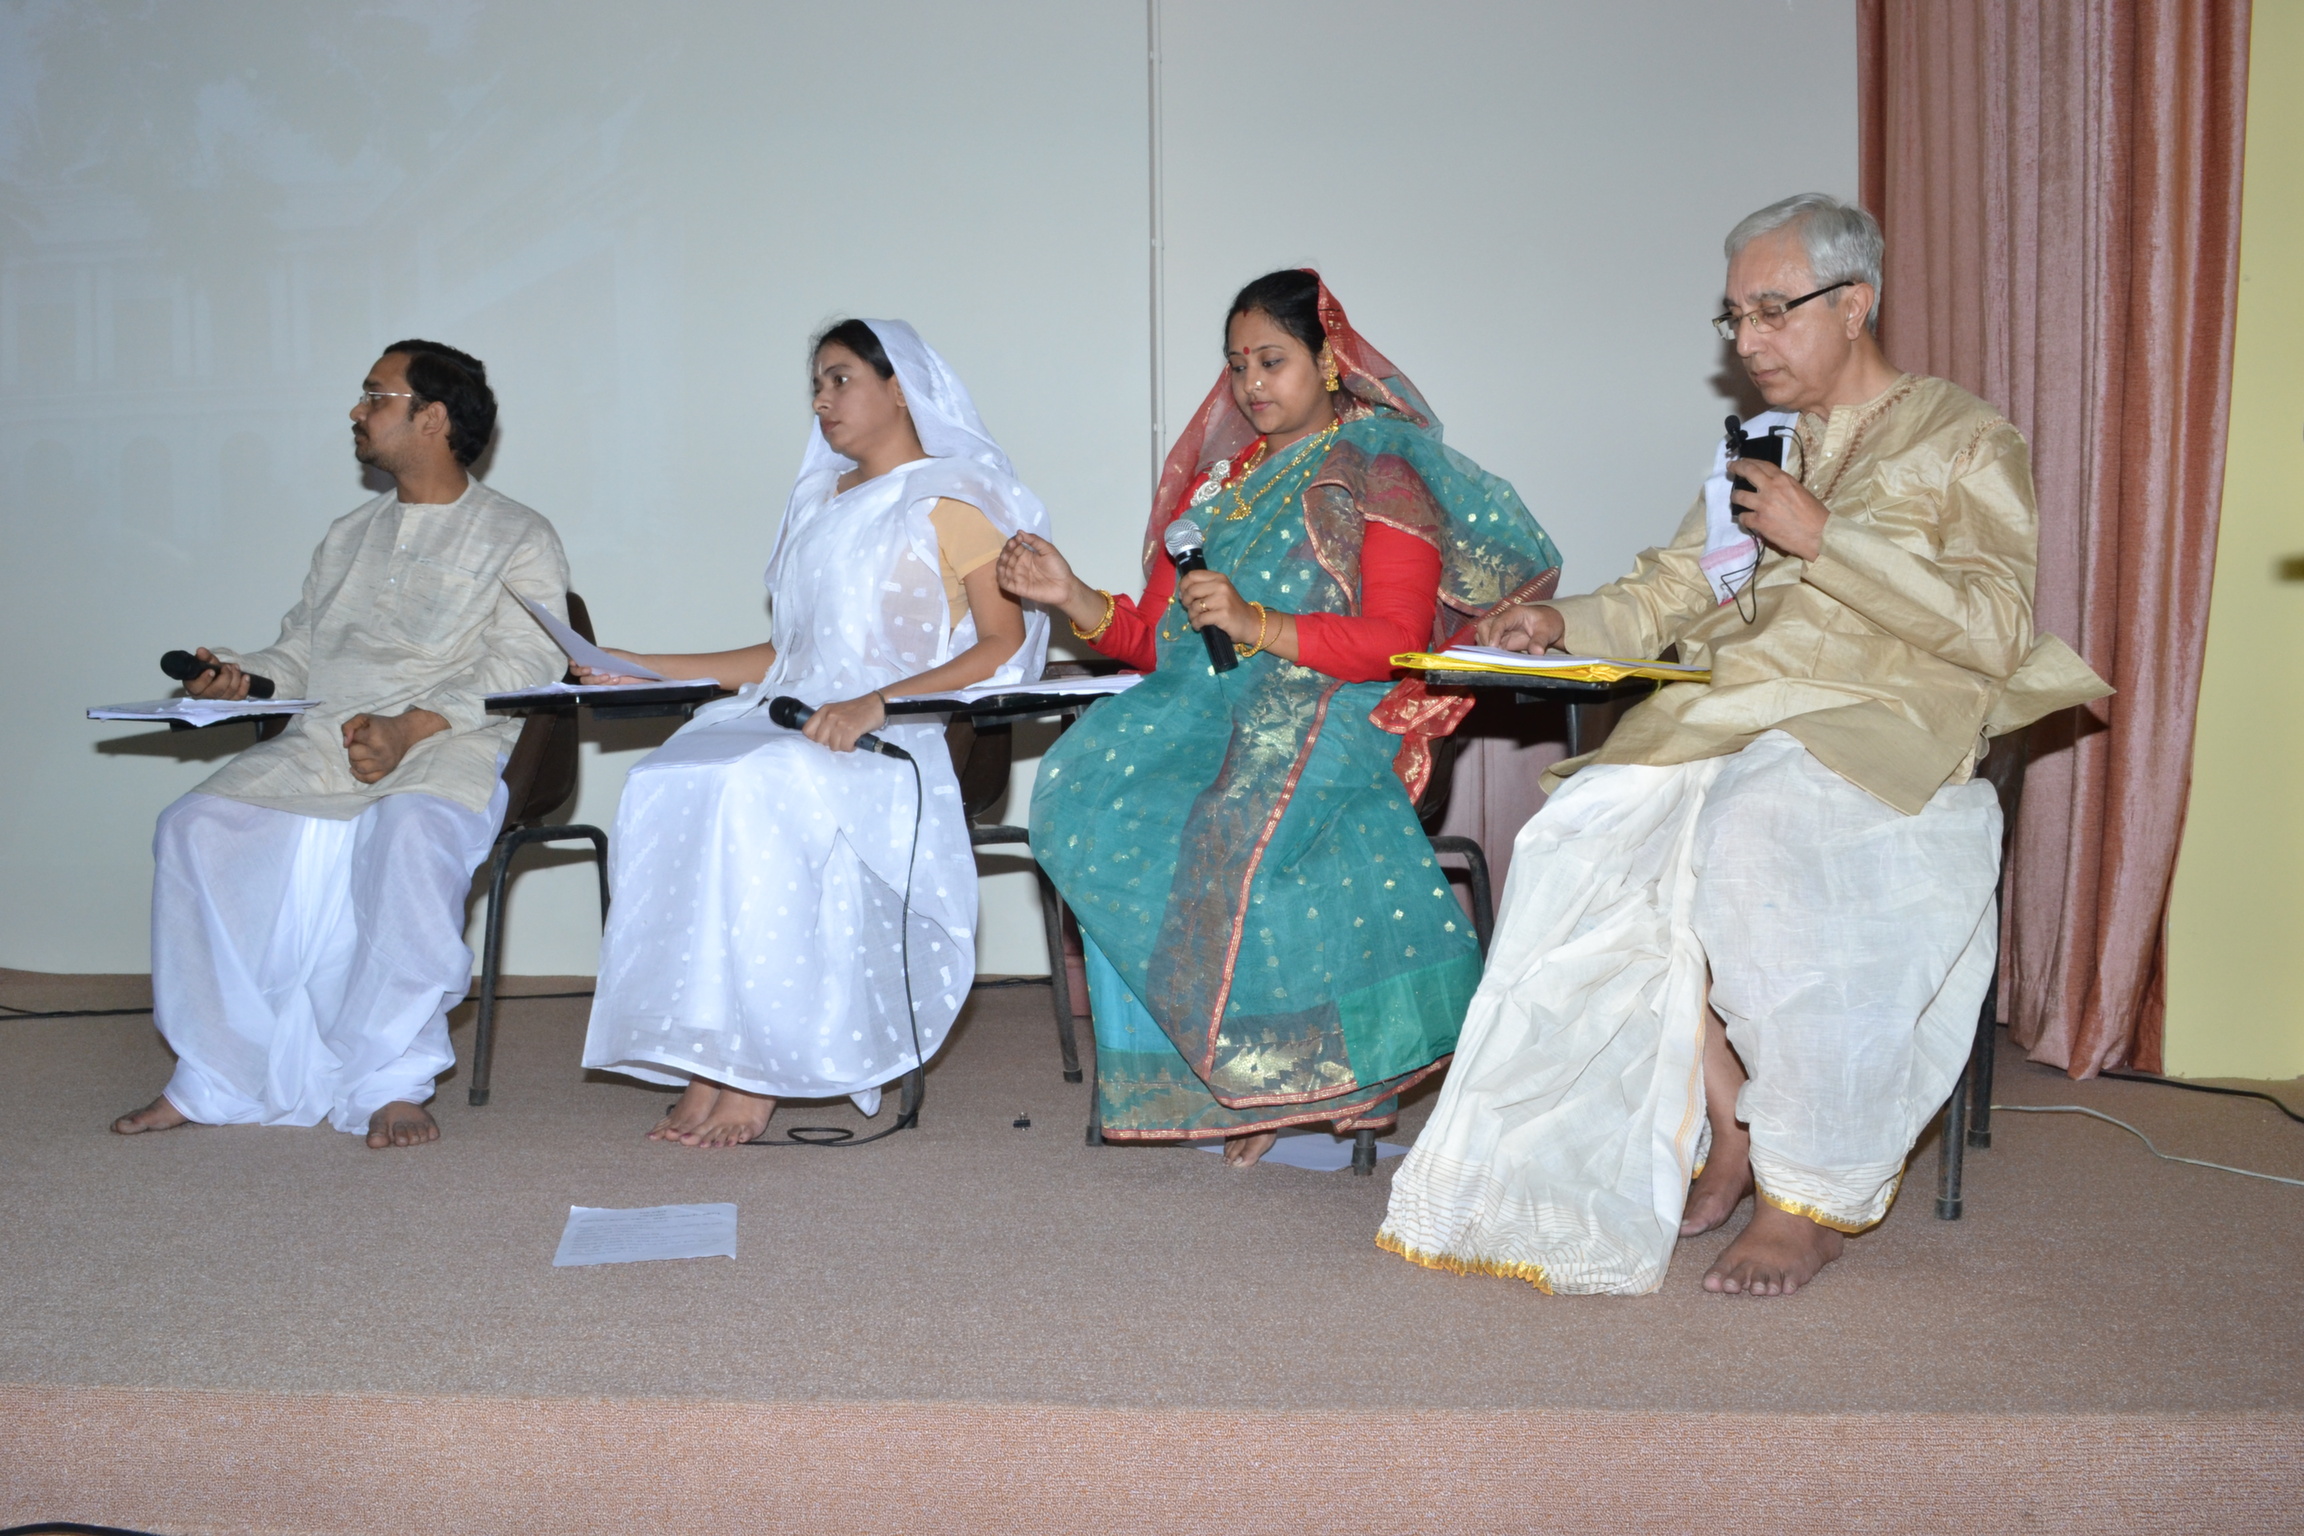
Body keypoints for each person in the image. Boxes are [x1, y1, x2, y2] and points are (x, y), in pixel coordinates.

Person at [1378, 195, 2110, 1295]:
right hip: (1735, 713)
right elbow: (1669, 591)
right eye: (1735, 318)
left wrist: (1828, 539)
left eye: (1773, 311)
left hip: (1881, 723)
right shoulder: (1759, 447)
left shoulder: (1965, 440)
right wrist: (1559, 622)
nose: (1749, 340)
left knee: (1756, 831)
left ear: (1855, 303)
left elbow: (1996, 630)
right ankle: (1733, 1126)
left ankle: (1802, 1198)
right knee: (1582, 837)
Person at [999, 270, 1561, 1166]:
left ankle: (1300, 1079)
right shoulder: (1218, 490)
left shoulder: (1380, 467)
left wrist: (1257, 623)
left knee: (1232, 824)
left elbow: (1396, 642)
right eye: (1236, 366)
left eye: (1272, 360)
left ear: (1328, 360)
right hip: (1207, 707)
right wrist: (1071, 595)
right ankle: (1223, 1082)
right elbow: (1160, 643)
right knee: (1083, 795)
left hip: (1339, 702)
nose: (1251, 384)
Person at [576, 319, 1041, 1147]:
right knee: (667, 777)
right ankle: (709, 1053)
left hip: (894, 736)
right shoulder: (819, 503)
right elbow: (788, 657)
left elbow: (1001, 644)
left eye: (840, 379)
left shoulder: (955, 497)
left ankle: (758, 1066)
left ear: (900, 388)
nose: (822, 401)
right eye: (816, 385)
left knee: (754, 784)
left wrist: (877, 703)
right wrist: (640, 664)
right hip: (794, 717)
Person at [112, 341, 570, 1149]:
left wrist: (409, 727)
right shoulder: (349, 534)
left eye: (375, 396)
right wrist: (242, 678)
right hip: (328, 737)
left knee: (410, 831)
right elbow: (303, 653)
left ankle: (389, 1081)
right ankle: (217, 1075)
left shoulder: (517, 533)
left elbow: (529, 662)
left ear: (432, 417)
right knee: (196, 827)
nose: (356, 412)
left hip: (449, 739)